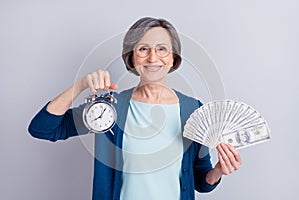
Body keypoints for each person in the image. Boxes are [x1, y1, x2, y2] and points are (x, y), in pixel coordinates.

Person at [28, 17, 242, 200]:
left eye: (162, 49)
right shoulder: (109, 108)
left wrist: (218, 171)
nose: (152, 57)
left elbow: (200, 180)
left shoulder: (193, 109)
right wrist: (81, 85)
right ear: (131, 57)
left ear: (173, 58)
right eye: (143, 49)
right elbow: (43, 129)